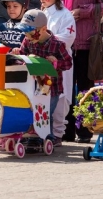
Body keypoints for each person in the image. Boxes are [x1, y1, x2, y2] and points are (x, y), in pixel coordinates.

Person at [56, 0, 103, 143]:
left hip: (86, 40)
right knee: (64, 87)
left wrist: (81, 12)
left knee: (85, 86)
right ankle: (65, 130)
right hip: (64, 42)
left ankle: (84, 131)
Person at [14, 9, 73, 139]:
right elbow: (23, 56)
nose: (27, 36)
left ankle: (48, 138)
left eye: (30, 33)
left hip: (52, 87)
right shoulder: (28, 40)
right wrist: (19, 54)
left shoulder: (57, 44)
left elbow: (68, 63)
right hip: (33, 85)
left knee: (46, 112)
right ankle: (37, 136)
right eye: (26, 33)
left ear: (43, 29)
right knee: (34, 111)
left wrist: (57, 62)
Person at [36, 0, 76, 147]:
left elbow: (68, 37)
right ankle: (42, 130)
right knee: (43, 94)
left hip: (59, 62)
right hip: (42, 62)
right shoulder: (42, 12)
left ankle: (58, 132)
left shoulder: (65, 15)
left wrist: (47, 38)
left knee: (60, 96)